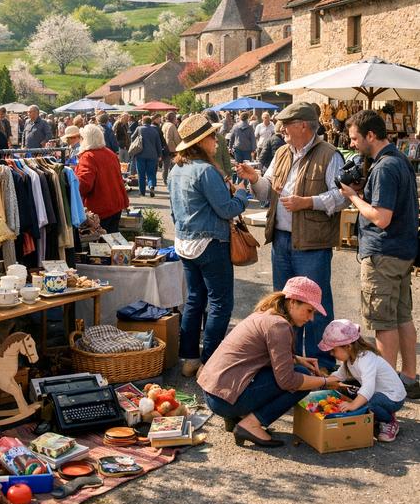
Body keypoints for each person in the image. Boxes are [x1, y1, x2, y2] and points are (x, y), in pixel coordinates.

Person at [237, 101, 349, 372]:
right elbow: (267, 193)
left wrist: (308, 202)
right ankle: (288, 362)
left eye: (286, 125)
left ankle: (321, 365)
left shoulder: (329, 154)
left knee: (314, 306)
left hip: (312, 244)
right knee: (285, 305)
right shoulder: (283, 153)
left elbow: (342, 196)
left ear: (303, 126)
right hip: (282, 240)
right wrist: (254, 179)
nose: (281, 129)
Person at [198, 277, 339, 447]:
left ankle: (235, 418)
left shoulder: (266, 314)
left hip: (215, 393)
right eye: (309, 311)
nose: (311, 318)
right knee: (301, 377)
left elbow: (257, 353)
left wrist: (296, 358)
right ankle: (250, 424)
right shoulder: (278, 326)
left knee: (296, 370)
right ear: (293, 302)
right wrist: (324, 381)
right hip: (224, 400)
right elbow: (287, 380)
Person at [340, 109, 420, 399]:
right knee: (401, 316)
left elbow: (381, 217)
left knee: (383, 322)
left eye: (354, 139)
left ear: (370, 136)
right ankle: (408, 378)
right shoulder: (398, 160)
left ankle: (387, 389)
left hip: (383, 253)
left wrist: (353, 197)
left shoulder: (384, 168)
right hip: (402, 251)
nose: (351, 144)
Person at [167, 114, 249, 376]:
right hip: (210, 243)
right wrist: (243, 194)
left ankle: (189, 358)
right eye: (213, 136)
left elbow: (174, 212)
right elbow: (226, 210)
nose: (217, 141)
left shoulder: (175, 170)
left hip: (184, 242)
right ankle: (210, 360)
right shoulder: (205, 170)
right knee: (221, 302)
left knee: (194, 300)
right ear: (201, 141)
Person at [318, 319, 406, 443]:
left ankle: (389, 421)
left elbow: (368, 388)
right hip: (378, 393)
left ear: (348, 346)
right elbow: (339, 376)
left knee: (370, 403)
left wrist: (353, 405)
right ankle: (380, 412)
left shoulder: (366, 359)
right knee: (348, 391)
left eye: (333, 350)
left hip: (393, 397)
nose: (331, 354)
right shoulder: (349, 360)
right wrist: (322, 381)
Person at [75, 124, 129, 233]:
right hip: (115, 204)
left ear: (85, 139)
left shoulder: (88, 156)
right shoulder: (110, 153)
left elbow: (85, 185)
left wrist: (71, 180)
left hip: (100, 207)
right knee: (112, 239)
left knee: (101, 244)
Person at [131, 115, 162, 197]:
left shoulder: (139, 128)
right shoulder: (155, 130)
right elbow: (158, 144)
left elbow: (132, 137)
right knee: (151, 173)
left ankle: (142, 192)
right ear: (151, 122)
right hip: (153, 155)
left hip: (140, 154)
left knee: (141, 174)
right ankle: (151, 185)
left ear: (142, 121)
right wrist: (159, 155)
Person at [229, 112, 256, 181]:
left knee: (238, 166)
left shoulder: (235, 126)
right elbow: (253, 139)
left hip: (237, 149)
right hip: (247, 150)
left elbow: (231, 137)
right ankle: (245, 183)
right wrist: (253, 149)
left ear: (240, 118)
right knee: (246, 168)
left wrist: (230, 146)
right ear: (247, 118)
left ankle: (236, 181)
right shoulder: (250, 128)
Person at [204, 110, 231, 177]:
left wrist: (228, 175)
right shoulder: (199, 140)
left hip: (218, 175)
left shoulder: (221, 138)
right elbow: (226, 160)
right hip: (211, 175)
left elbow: (226, 159)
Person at [161, 111, 181, 183]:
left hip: (164, 148)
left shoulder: (164, 125)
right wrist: (180, 146)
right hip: (172, 149)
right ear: (173, 118)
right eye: (175, 118)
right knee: (173, 166)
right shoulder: (172, 126)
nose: (176, 120)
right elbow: (176, 138)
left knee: (165, 165)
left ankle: (165, 179)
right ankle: (171, 180)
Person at [151, 113, 169, 183]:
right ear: (155, 119)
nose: (160, 120)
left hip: (152, 150)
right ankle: (153, 181)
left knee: (153, 168)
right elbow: (161, 141)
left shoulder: (154, 127)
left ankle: (152, 182)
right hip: (157, 150)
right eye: (159, 119)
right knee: (154, 167)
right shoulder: (157, 128)